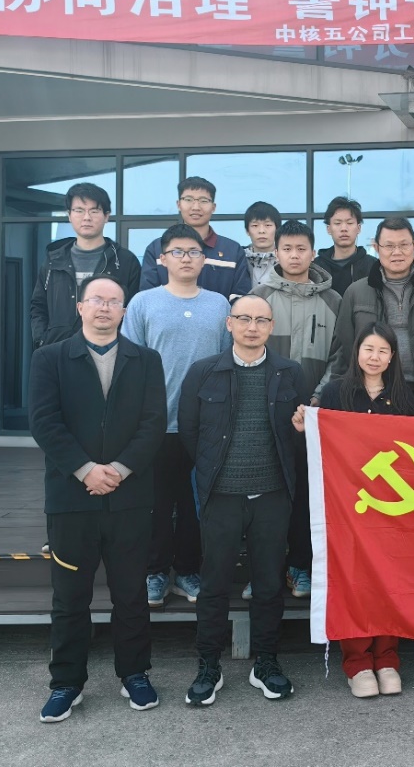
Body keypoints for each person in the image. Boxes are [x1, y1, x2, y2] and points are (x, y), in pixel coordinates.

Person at [29, 275, 167, 722]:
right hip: (71, 499)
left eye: (113, 301)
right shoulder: (50, 358)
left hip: (130, 498)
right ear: (80, 307)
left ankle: (135, 674)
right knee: (70, 598)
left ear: (125, 311)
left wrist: (119, 470)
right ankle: (66, 683)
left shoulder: (146, 360)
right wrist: (86, 470)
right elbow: (44, 422)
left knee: (131, 594)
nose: (105, 307)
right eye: (96, 300)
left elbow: (153, 423)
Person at [178, 294, 305, 705]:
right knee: (214, 583)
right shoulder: (204, 372)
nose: (253, 327)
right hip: (221, 494)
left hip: (272, 495)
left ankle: (266, 662)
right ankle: (208, 665)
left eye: (261, 320)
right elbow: (189, 431)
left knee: (269, 583)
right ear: (229, 323)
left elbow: (298, 436)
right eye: (244, 319)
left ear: (272, 327)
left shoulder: (290, 373)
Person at [291, 322, 414, 698]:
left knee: (389, 580)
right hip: (348, 505)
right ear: (356, 353)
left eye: (383, 351)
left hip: (392, 506)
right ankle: (357, 662)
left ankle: (388, 658)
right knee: (353, 582)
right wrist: (305, 426)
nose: (374, 357)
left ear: (392, 357)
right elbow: (320, 446)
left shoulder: (405, 396)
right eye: (368, 349)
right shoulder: (334, 392)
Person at [121, 224, 231, 609]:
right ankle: (155, 572)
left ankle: (186, 571)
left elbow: (227, 361)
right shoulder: (143, 303)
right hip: (156, 422)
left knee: (194, 504)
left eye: (194, 252)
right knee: (155, 502)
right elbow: (129, 364)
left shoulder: (220, 305)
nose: (186, 259)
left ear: (204, 259)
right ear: (162, 259)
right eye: (178, 252)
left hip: (205, 424)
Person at [251, 219, 342, 600]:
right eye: (286, 249)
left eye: (301, 249)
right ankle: (263, 572)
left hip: (314, 417)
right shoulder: (259, 297)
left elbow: (339, 357)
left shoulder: (334, 301)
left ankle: (300, 567)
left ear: (313, 253)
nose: (293, 255)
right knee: (266, 496)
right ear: (276, 252)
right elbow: (248, 349)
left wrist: (317, 399)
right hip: (265, 413)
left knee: (307, 495)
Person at [327, 216, 414, 415]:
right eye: (389, 246)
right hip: (374, 395)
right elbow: (343, 350)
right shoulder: (356, 292)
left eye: (404, 245)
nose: (397, 252)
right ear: (376, 248)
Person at [30, 182, 141, 348]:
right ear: (69, 215)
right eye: (79, 210)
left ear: (106, 216)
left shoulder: (124, 261)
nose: (86, 217)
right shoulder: (54, 260)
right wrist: (41, 339)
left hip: (108, 351)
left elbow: (133, 311)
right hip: (58, 350)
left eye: (94, 211)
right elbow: (38, 306)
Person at [139, 176, 251, 299]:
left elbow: (240, 299)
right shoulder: (157, 248)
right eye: (188, 199)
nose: (196, 207)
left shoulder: (232, 251)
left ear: (213, 207)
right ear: (178, 204)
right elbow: (147, 297)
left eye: (203, 201)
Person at [314, 196, 377, 296]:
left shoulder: (373, 266)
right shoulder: (316, 267)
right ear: (328, 229)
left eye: (349, 223)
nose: (344, 228)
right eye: (337, 223)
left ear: (359, 228)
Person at [244, 200, 282, 287]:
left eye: (268, 225)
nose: (261, 231)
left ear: (277, 229)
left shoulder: (286, 260)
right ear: (247, 231)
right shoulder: (239, 259)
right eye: (255, 225)